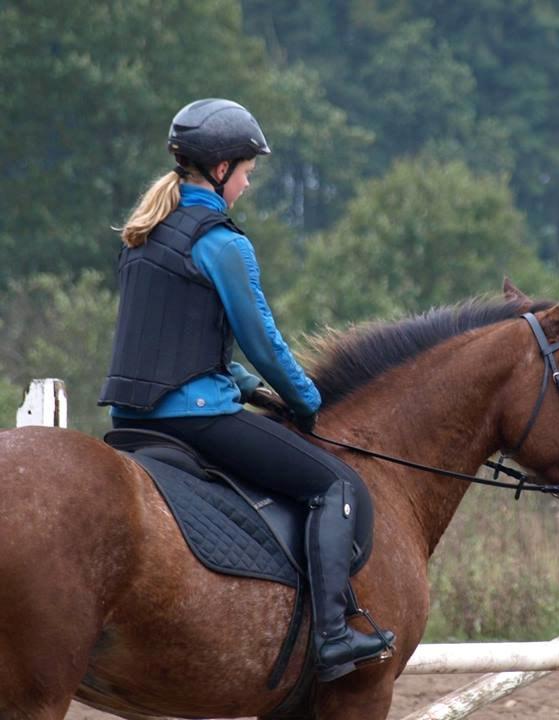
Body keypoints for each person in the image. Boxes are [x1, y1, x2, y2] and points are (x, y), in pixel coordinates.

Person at [99, 98, 394, 682]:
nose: (248, 184)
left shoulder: (145, 234)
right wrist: (306, 399)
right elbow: (262, 340)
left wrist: (249, 389)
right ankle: (333, 638)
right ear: (221, 168)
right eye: (248, 172)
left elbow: (187, 339)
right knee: (334, 485)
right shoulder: (222, 242)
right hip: (192, 417)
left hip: (132, 419)